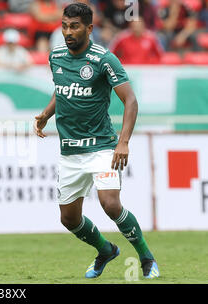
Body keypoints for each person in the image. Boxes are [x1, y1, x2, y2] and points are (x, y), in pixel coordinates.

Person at [34, 2, 159, 279]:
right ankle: (105, 250)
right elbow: (62, 91)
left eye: (75, 26)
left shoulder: (104, 59)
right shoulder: (55, 56)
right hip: (70, 151)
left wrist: (123, 142)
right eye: (65, 26)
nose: (68, 32)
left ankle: (147, 258)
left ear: (89, 28)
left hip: (102, 146)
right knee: (69, 219)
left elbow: (131, 100)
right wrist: (45, 114)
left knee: (110, 203)